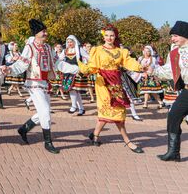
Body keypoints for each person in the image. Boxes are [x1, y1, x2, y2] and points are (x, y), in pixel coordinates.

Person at [78, 25, 145, 154]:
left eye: (112, 35)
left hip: (116, 83)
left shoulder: (121, 51)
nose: (109, 38)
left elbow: (129, 62)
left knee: (117, 110)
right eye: (107, 35)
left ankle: (95, 135)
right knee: (110, 109)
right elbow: (92, 66)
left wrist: (140, 66)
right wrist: (84, 69)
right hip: (102, 82)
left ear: (115, 36)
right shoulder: (97, 50)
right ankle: (127, 141)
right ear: (103, 36)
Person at [4, 19, 64, 154]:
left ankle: (24, 129)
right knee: (45, 112)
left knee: (45, 111)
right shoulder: (30, 47)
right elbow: (22, 64)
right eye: (43, 31)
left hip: (45, 83)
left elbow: (57, 63)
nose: (46, 33)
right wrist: (9, 69)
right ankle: (48, 142)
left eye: (45, 31)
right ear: (36, 33)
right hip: (34, 83)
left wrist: (74, 68)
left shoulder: (48, 48)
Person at [149, 21, 188, 162]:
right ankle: (173, 152)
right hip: (187, 91)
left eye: (175, 36)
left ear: (185, 35)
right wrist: (153, 71)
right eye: (172, 36)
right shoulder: (174, 53)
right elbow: (169, 71)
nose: (172, 39)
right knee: (173, 116)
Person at [60, 35, 89, 116]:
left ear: (74, 42)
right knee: (74, 90)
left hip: (77, 72)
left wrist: (87, 67)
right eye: (68, 42)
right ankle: (81, 108)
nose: (69, 43)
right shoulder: (65, 50)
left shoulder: (79, 49)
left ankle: (74, 106)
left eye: (71, 42)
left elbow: (88, 57)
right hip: (68, 72)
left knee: (74, 89)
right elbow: (59, 59)